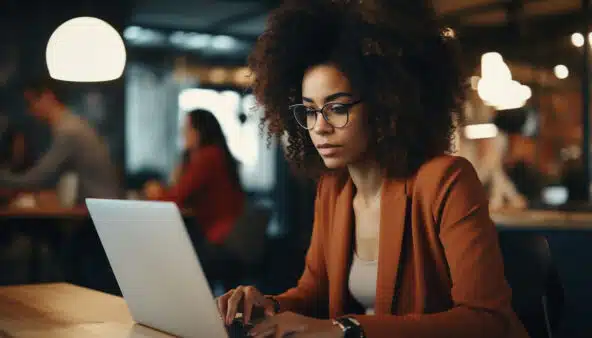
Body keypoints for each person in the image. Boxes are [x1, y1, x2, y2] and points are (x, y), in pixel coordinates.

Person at [217, 1, 530, 337]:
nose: (319, 127)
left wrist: (345, 331)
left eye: (336, 108)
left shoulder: (446, 181)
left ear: (384, 105)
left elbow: (486, 321)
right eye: (309, 111)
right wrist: (268, 305)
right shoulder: (333, 190)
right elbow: (314, 292)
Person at [0, 77, 121, 203]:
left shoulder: (69, 131)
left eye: (31, 103)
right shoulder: (72, 125)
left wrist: (3, 179)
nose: (31, 111)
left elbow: (36, 178)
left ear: (48, 97)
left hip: (97, 210)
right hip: (96, 206)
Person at [144, 108, 245, 254]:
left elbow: (176, 198)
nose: (183, 133)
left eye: (187, 128)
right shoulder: (215, 154)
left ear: (199, 132)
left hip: (217, 238)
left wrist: (156, 192)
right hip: (225, 234)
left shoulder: (208, 157)